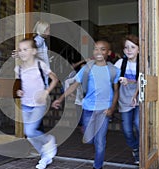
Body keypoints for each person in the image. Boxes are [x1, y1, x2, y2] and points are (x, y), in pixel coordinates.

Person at [52, 40, 120, 169]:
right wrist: (60, 98)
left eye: (103, 49)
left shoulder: (114, 70)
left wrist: (112, 108)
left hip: (104, 110)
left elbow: (116, 90)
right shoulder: (87, 68)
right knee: (89, 138)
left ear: (109, 53)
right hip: (88, 108)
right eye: (96, 49)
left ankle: (97, 166)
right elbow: (74, 85)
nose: (99, 52)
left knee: (100, 142)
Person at [14, 38, 58, 169]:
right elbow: (19, 86)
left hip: (38, 104)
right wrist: (19, 91)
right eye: (20, 50)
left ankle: (49, 140)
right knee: (30, 136)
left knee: (31, 131)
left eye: (25, 49)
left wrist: (46, 92)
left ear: (33, 51)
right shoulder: (19, 69)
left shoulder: (40, 65)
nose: (22, 52)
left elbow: (54, 79)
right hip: (25, 104)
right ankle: (45, 156)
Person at [114, 34, 140, 164]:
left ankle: (142, 150)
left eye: (133, 47)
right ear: (123, 50)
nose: (129, 50)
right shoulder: (120, 63)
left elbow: (143, 82)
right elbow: (112, 78)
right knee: (127, 129)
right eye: (126, 48)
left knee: (138, 124)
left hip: (139, 99)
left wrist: (129, 81)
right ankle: (135, 148)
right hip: (124, 101)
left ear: (139, 49)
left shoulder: (143, 64)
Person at [64, 60, 86, 128]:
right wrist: (70, 93)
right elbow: (67, 81)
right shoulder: (78, 77)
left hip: (88, 100)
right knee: (80, 115)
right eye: (82, 68)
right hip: (79, 99)